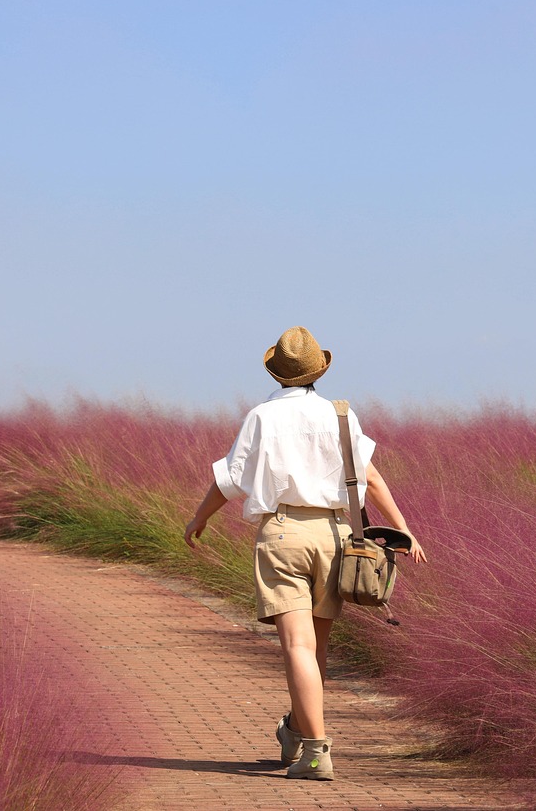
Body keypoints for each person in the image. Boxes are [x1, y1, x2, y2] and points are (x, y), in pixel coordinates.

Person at [183, 326, 426, 781]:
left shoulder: (261, 416)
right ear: (319, 370)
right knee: (315, 650)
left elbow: (231, 480)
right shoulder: (340, 415)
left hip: (283, 533)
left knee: (297, 646)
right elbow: (369, 478)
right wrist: (403, 528)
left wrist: (200, 518)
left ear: (276, 373)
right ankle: (295, 731)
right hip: (334, 537)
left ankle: (316, 750)